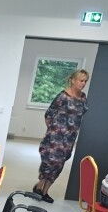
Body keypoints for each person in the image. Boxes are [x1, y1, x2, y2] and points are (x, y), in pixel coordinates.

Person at [32, 69, 89, 203]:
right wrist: (54, 130)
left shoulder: (83, 97)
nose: (83, 83)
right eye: (81, 80)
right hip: (55, 136)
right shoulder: (63, 96)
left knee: (59, 165)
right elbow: (49, 114)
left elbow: (80, 115)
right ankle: (39, 187)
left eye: (85, 81)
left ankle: (45, 191)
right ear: (73, 80)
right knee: (50, 162)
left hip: (70, 139)